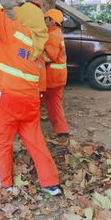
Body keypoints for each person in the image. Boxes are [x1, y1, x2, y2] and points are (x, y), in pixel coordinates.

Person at [0, 0, 61, 196]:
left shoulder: (14, 31)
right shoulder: (38, 43)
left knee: (2, 141)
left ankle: (4, 183)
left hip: (8, 98)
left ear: (25, 19)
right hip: (30, 101)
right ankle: (50, 183)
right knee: (35, 140)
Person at [42, 9, 70, 137]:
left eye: (46, 18)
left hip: (52, 78)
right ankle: (61, 130)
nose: (44, 21)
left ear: (52, 21)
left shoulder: (52, 35)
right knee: (54, 103)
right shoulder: (57, 33)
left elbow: (49, 56)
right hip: (58, 77)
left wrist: (36, 55)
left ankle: (29, 128)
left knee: (35, 101)